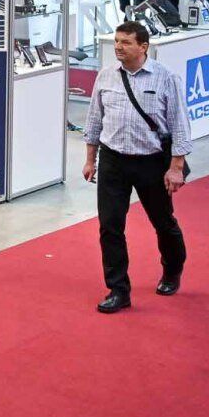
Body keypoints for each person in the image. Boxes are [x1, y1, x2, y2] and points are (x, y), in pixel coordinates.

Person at [83, 21, 190, 313]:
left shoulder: (165, 78)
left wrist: (176, 167)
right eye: (117, 41)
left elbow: (180, 125)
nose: (118, 47)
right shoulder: (105, 76)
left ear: (143, 47)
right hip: (113, 161)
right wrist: (90, 158)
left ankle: (172, 270)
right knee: (110, 227)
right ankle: (118, 290)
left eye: (126, 42)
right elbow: (94, 119)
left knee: (163, 223)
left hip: (152, 163)